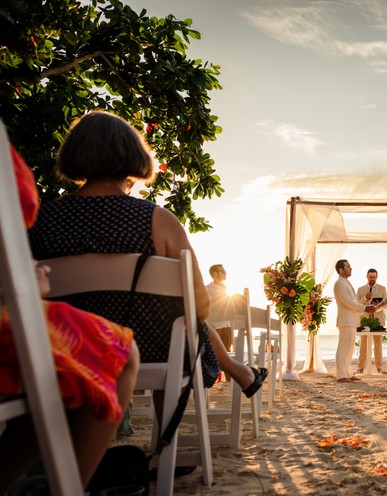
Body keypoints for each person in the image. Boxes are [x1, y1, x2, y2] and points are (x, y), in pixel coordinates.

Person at [27, 111, 267, 400]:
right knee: (182, 326)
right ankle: (170, 437)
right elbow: (199, 308)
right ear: (132, 158)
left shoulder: (39, 220)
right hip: (147, 352)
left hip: (64, 350)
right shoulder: (157, 221)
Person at [0, 144, 140, 496]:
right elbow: (196, 303)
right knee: (120, 352)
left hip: (43, 342)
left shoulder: (48, 218)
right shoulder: (155, 220)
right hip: (58, 341)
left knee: (48, 382)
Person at [332, 259, 375, 383]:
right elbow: (347, 302)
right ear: (341, 270)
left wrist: (364, 301)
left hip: (351, 320)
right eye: (348, 267)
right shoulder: (339, 284)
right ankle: (341, 375)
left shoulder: (346, 283)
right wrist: (365, 308)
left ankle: (347, 373)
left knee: (349, 349)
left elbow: (354, 302)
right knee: (343, 348)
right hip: (345, 320)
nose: (351, 268)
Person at [355, 268, 387, 374]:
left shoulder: (382, 288)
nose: (372, 278)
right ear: (367, 277)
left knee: (378, 344)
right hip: (365, 319)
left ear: (377, 277)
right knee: (363, 344)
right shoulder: (360, 289)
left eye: (374, 277)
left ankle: (380, 367)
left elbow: (386, 304)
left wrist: (378, 306)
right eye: (370, 276)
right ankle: (360, 367)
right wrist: (365, 297)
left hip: (378, 319)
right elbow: (356, 305)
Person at [206, 263, 236, 352]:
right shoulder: (207, 289)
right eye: (222, 271)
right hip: (215, 326)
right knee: (214, 353)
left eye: (225, 271)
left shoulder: (227, 290)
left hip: (227, 325)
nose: (225, 273)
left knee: (228, 353)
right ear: (215, 274)